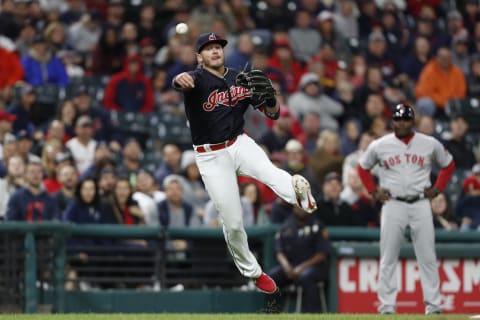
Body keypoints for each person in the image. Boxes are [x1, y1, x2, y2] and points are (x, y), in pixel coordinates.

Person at [172, 32, 317, 294]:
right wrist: (179, 78)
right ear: (199, 57)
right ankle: (254, 272)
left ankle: (298, 193)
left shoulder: (240, 77)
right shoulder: (197, 77)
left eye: (218, 47)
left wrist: (271, 98)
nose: (215, 51)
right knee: (234, 223)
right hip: (211, 155)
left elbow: (272, 114)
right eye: (208, 48)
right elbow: (182, 82)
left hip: (239, 143)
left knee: (271, 173)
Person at [357, 103, 456, 314]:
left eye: (405, 119)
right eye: (397, 119)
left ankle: (434, 306)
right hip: (393, 203)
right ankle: (387, 307)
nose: (401, 123)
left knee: (427, 256)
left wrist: (438, 188)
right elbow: (362, 167)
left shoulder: (429, 143)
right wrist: (373, 191)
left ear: (412, 121)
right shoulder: (380, 144)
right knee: (388, 256)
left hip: (420, 202)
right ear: (392, 121)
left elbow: (448, 164)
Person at [268, 206, 331, 313]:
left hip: (314, 267)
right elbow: (279, 251)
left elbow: (322, 254)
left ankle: (313, 313)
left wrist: (301, 268)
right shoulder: (286, 225)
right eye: (298, 207)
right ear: (293, 208)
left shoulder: (317, 225)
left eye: (303, 207)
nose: (301, 210)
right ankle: (273, 313)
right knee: (272, 277)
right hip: (291, 266)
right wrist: (286, 266)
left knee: (306, 276)